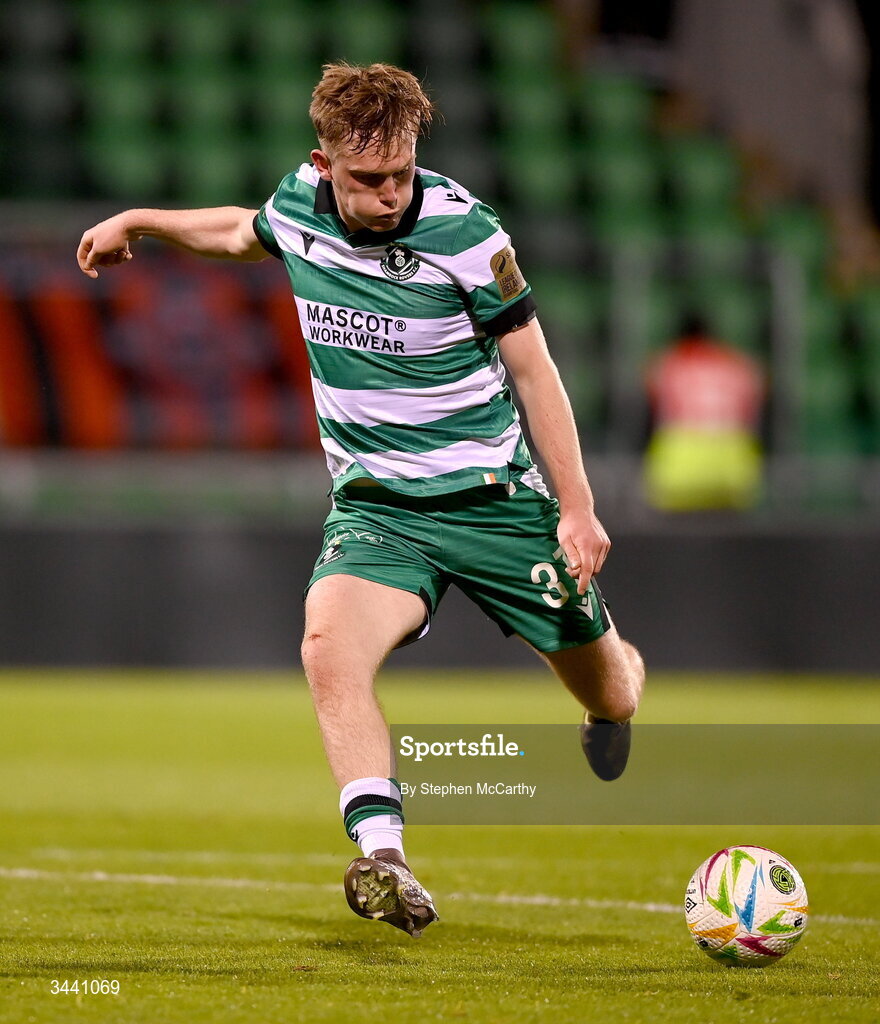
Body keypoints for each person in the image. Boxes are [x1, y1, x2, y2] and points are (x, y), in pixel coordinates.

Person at [77, 62, 645, 938]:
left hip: (494, 501)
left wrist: (576, 506)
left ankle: (609, 709)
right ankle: (383, 858)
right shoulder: (300, 204)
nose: (386, 195)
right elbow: (238, 232)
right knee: (326, 650)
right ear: (324, 163)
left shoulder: (467, 231)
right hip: (380, 509)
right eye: (365, 179)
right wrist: (140, 222)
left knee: (611, 688)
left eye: (400, 176)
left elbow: (534, 368)